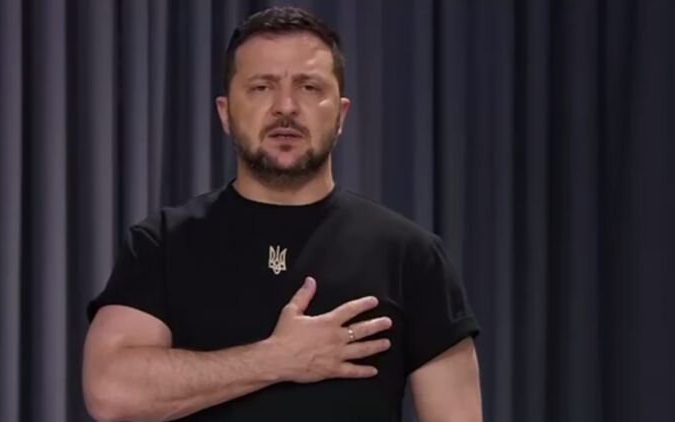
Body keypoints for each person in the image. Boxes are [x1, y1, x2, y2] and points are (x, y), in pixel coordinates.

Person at [83, 6, 482, 422]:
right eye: (261, 87)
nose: (286, 106)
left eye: (309, 87)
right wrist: (276, 359)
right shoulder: (163, 243)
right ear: (225, 113)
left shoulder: (410, 255)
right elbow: (111, 391)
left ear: (341, 115)